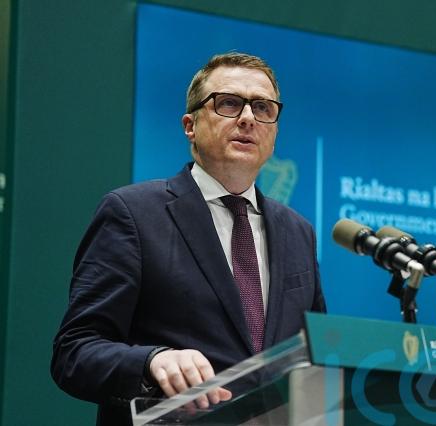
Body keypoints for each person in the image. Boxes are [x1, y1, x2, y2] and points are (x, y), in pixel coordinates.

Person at [51, 52, 326, 425]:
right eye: (229, 103)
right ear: (190, 126)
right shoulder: (133, 213)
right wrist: (152, 362)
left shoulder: (298, 232)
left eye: (263, 108)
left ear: (274, 131)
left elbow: (315, 358)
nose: (248, 118)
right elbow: (74, 352)